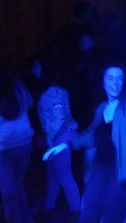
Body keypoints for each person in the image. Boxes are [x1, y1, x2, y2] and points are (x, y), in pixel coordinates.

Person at [43, 64, 126, 223]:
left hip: (121, 173)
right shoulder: (101, 108)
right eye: (110, 78)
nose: (115, 83)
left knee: (112, 218)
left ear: (124, 83)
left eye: (120, 79)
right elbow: (91, 135)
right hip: (99, 171)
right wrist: (66, 144)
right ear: (103, 82)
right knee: (87, 216)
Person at [38, 86, 81, 216]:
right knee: (53, 175)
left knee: (65, 177)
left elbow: (60, 119)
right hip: (61, 135)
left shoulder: (52, 93)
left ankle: (76, 211)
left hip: (59, 137)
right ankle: (49, 207)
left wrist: (50, 139)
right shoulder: (61, 91)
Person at [0, 71, 34, 223]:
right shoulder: (16, 83)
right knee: (15, 186)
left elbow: (29, 101)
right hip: (20, 142)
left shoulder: (16, 84)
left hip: (8, 146)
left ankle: (21, 218)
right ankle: (25, 218)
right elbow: (30, 102)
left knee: (11, 189)